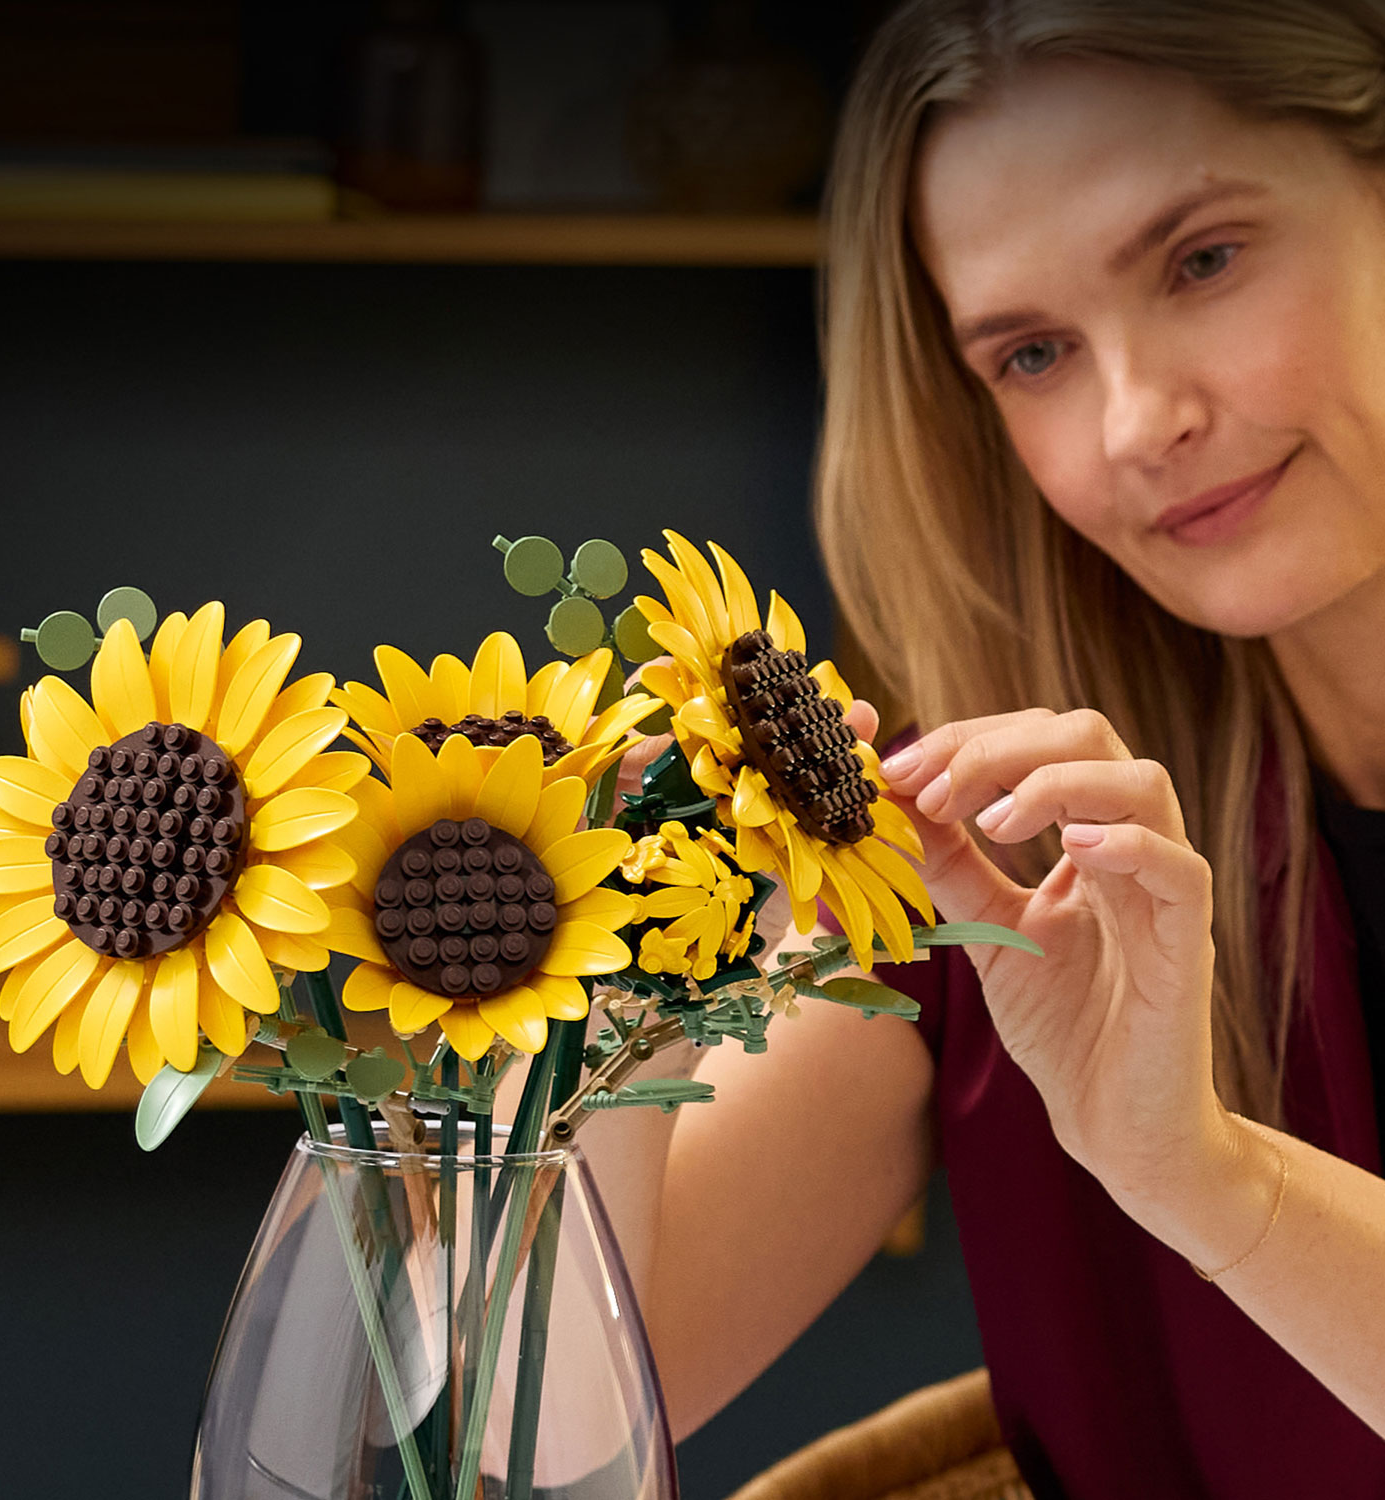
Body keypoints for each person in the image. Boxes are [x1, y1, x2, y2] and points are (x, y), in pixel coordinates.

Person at [582, 3, 1385, 1496]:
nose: (1142, 420)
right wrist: (615, 964)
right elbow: (563, 1408)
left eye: (1203, 261)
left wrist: (1201, 1176)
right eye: (1032, 353)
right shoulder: (1017, 847)